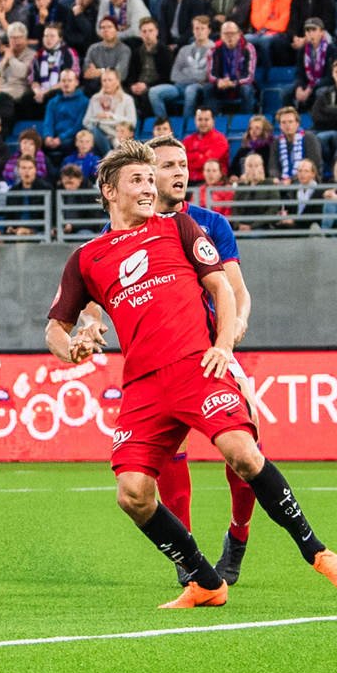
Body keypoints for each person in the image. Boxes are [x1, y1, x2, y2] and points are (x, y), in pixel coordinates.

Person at [44, 141, 337, 607]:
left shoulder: (180, 228)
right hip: (143, 386)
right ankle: (204, 581)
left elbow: (223, 289)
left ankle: (316, 551)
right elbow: (56, 325)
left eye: (152, 179)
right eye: (138, 180)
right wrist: (71, 348)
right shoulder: (88, 257)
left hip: (198, 364)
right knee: (132, 494)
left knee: (243, 454)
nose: (150, 187)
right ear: (109, 191)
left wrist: (223, 345)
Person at [71, 135, 259, 588]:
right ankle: (187, 550)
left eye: (181, 165)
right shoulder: (117, 240)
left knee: (245, 456)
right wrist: (86, 325)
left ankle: (238, 536)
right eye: (165, 166)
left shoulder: (209, 222)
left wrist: (229, 336)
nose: (177, 173)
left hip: (211, 355)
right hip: (159, 365)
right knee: (168, 456)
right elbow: (90, 304)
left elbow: (235, 289)